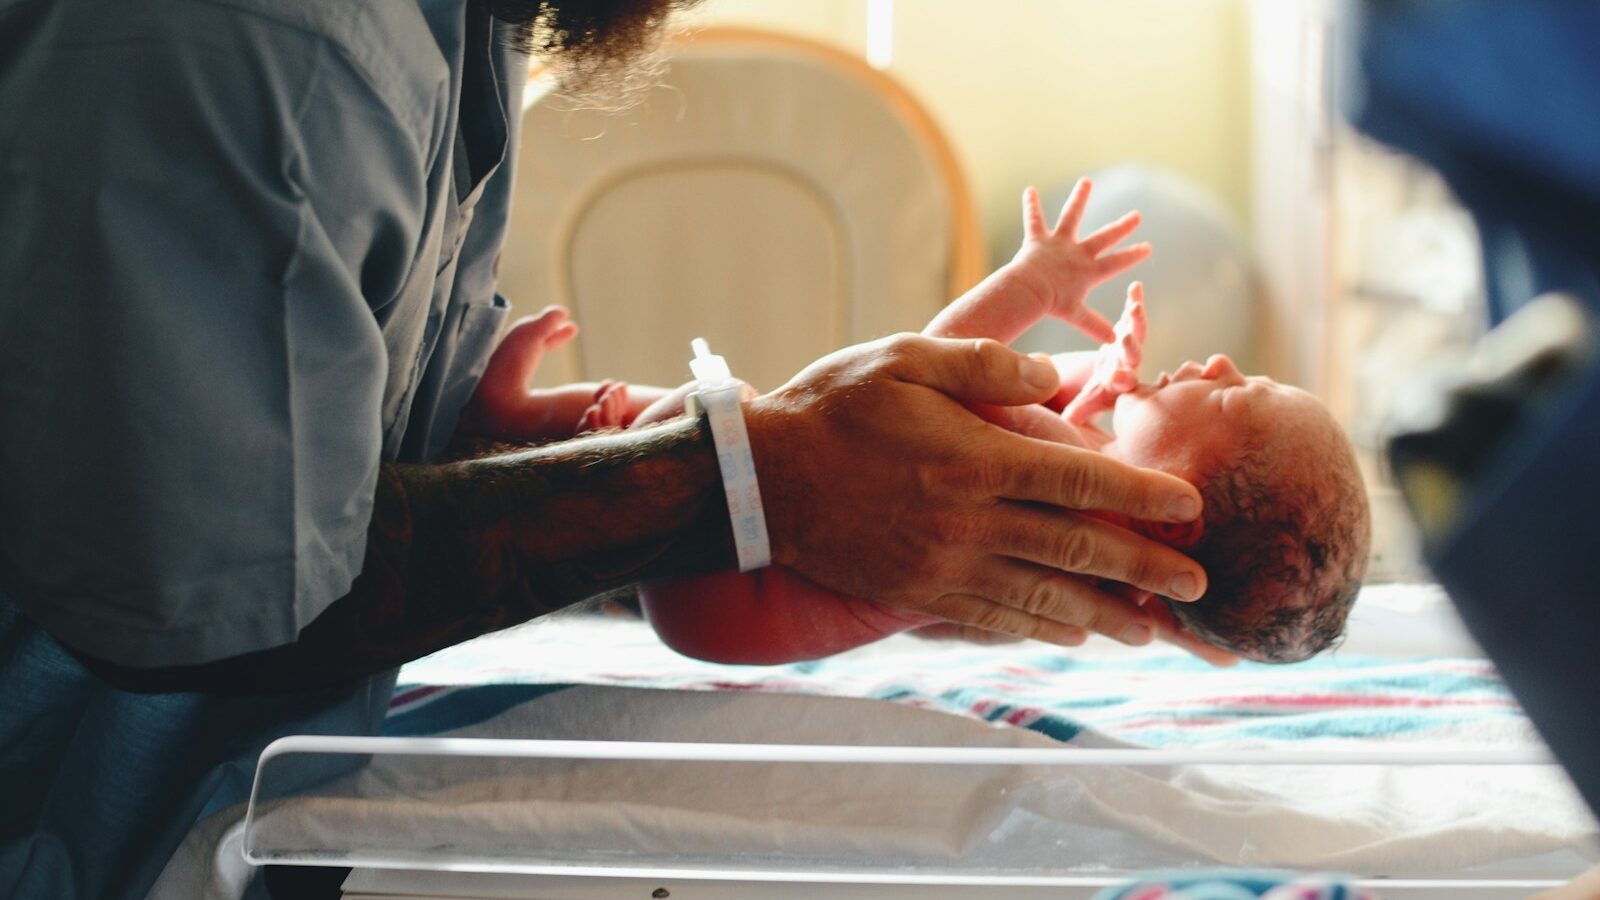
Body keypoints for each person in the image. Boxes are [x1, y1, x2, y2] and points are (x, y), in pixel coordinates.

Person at [0, 2, 1211, 897]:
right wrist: (747, 475)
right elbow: (218, 596)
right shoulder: (263, 47)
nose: (1208, 372)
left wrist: (444, 444)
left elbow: (215, 436)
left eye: (1239, 400)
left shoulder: (456, 32)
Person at [480, 181, 1370, 665]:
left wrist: (1037, 284)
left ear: (1176, 513)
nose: (1216, 363)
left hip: (736, 582)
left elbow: (921, 384)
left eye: (1230, 395)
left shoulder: (1060, 476)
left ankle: (517, 423)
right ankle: (527, 426)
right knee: (696, 422)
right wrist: (1106, 392)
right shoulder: (1102, 557)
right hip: (731, 611)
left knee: (697, 416)